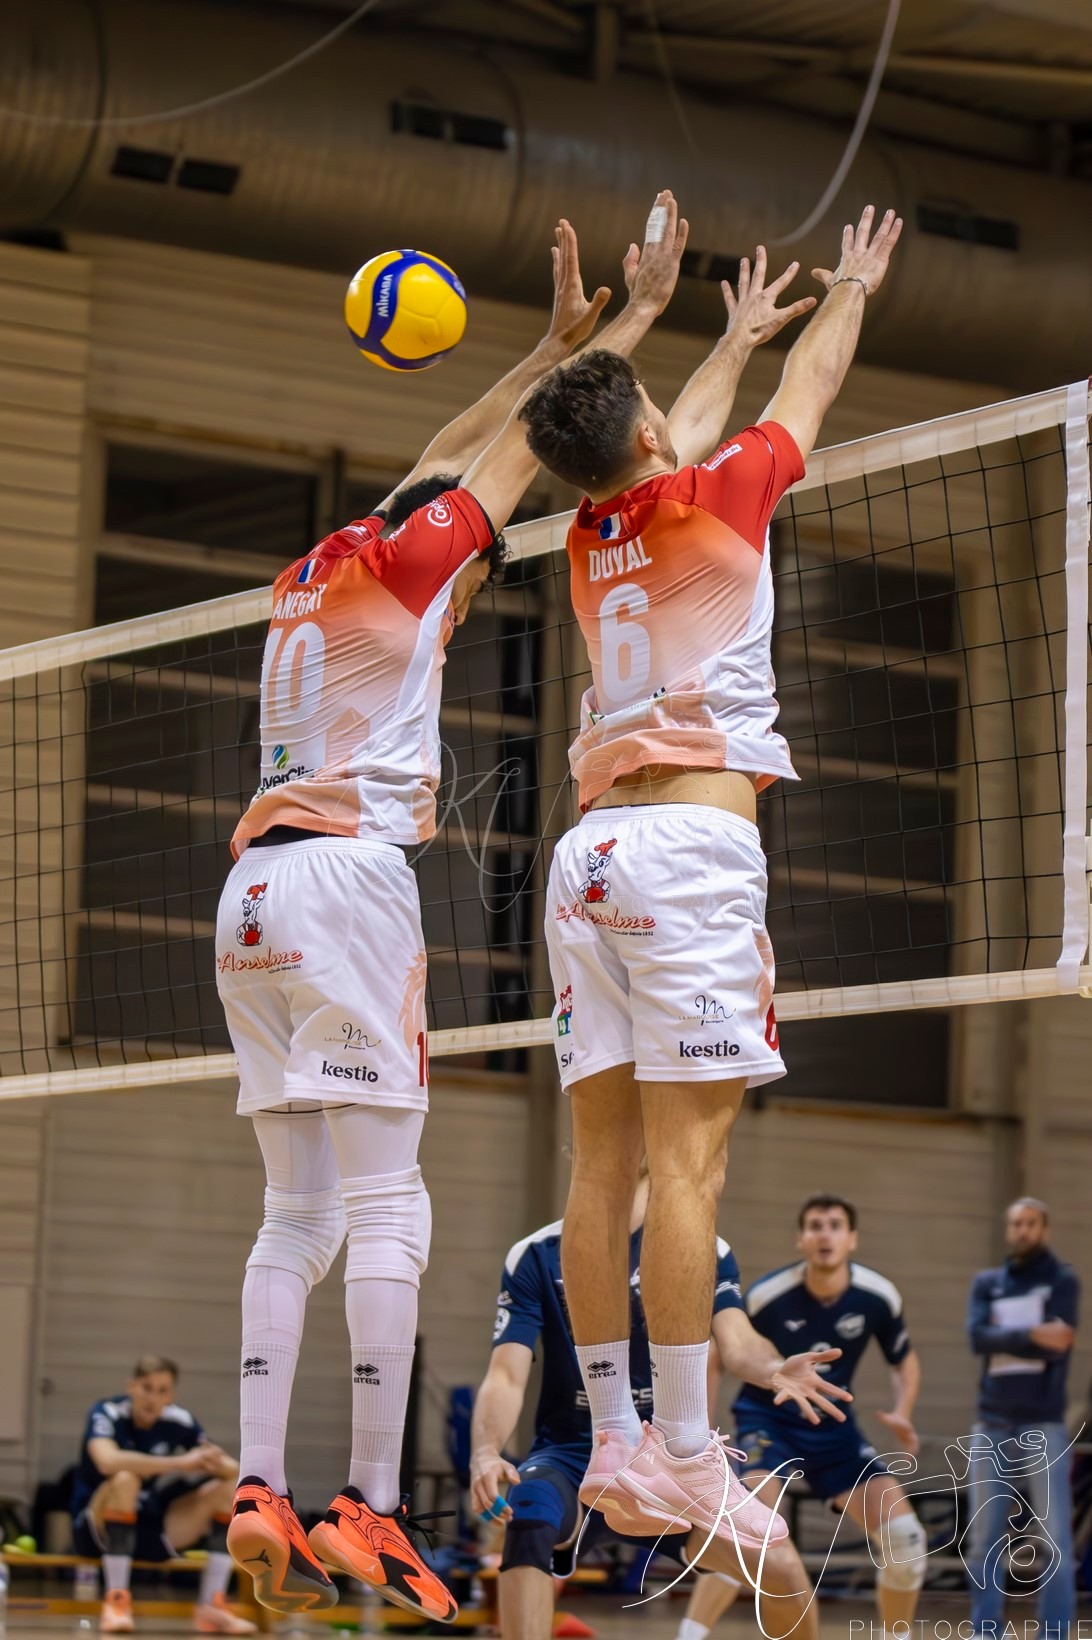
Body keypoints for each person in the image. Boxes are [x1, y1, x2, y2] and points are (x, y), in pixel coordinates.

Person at [215, 198, 691, 1625]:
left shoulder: (323, 567)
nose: (478, 590)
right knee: (387, 1203)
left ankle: (256, 1481)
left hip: (247, 897)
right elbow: (532, 458)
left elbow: (442, 464)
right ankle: (364, 1493)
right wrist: (631, 325)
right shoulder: (427, 565)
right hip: (347, 881)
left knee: (291, 1216)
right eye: (481, 571)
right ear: (458, 558)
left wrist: (552, 335)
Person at [518, 204, 903, 1542]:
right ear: (645, 436)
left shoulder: (589, 533)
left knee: (600, 1174)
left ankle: (618, 1441)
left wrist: (728, 333)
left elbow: (662, 428)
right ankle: (686, 1453)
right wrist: (849, 288)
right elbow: (818, 382)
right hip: (687, 851)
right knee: (688, 1178)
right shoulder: (723, 487)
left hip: (590, 858)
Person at [471, 1164, 851, 1640]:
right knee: (528, 1515)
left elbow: (738, 1342)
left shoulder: (702, 1248)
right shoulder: (536, 1254)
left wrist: (773, 1367)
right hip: (576, 1455)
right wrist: (486, 1449)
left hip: (670, 1465)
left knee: (782, 1570)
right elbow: (506, 1373)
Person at [683, 1193, 927, 1640]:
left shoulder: (878, 1296)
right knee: (747, 1536)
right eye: (815, 1226)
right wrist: (701, 1426)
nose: (825, 1234)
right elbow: (719, 1353)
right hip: (768, 1421)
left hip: (833, 1429)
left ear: (852, 1239)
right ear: (801, 1239)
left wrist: (902, 1411)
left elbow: (904, 1361)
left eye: (835, 1225)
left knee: (907, 1539)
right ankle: (689, 1634)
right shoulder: (769, 1296)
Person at [70, 1354, 254, 1637]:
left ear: (171, 1395)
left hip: (147, 1525)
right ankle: (116, 1601)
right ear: (131, 1387)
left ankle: (212, 1604)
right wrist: (180, 1463)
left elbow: (230, 1468)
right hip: (97, 1529)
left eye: (162, 1391)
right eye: (146, 1388)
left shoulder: (178, 1420)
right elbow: (106, 1460)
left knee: (230, 1486)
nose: (152, 1398)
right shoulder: (106, 1412)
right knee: (125, 1478)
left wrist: (213, 1460)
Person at [965, 1196, 1080, 1637]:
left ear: (1044, 1229)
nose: (1022, 1231)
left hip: (1044, 1425)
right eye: (1015, 1224)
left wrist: (1005, 1336)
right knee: (983, 1543)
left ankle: (1053, 1632)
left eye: (1030, 1224)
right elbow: (978, 1337)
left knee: (1055, 1542)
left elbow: (1063, 1338)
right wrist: (1035, 1333)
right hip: (991, 1422)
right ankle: (985, 1630)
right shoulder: (987, 1283)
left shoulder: (1062, 1280)